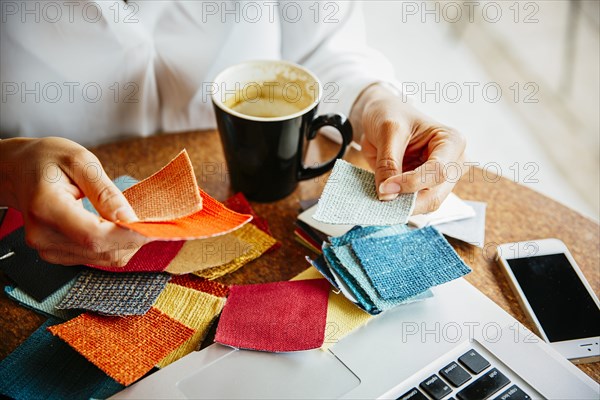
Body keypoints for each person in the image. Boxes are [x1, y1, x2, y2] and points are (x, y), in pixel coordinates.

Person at [0, 1, 465, 267]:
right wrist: (7, 166)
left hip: (249, 218)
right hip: (34, 235)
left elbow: (324, 45)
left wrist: (374, 101)